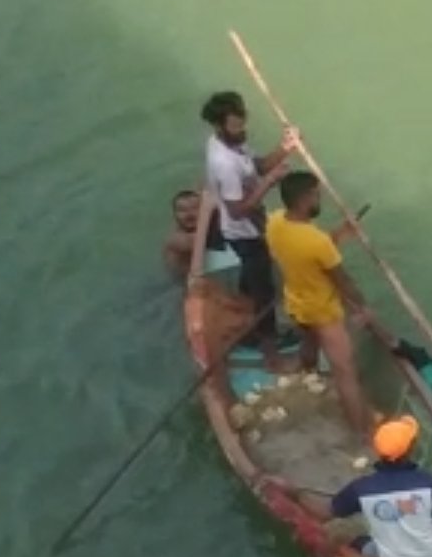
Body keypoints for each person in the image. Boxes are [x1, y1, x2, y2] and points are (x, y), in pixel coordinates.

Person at [264, 169, 380, 436]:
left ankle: (308, 373)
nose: (320, 200)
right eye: (317, 195)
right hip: (324, 312)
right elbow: (343, 281)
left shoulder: (275, 222)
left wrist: (343, 232)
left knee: (309, 341)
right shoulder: (317, 243)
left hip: (296, 302)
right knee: (346, 374)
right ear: (306, 199)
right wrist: (363, 307)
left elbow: (306, 251)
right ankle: (361, 433)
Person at [279, 416, 432, 557]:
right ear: (410, 451)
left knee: (357, 542)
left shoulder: (361, 489)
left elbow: (324, 514)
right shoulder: (428, 482)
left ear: (378, 453)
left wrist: (295, 494)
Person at [201, 90, 297, 371]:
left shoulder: (233, 144)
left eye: (243, 121)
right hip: (244, 231)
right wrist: (270, 181)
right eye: (235, 125)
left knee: (253, 279)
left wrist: (285, 148)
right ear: (220, 126)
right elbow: (236, 210)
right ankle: (270, 352)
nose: (242, 129)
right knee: (264, 290)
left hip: (254, 224)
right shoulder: (224, 163)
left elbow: (256, 165)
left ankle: (244, 316)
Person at [162, 189, 202, 281]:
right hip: (180, 284)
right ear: (175, 215)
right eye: (182, 210)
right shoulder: (176, 239)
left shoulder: (192, 230)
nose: (190, 214)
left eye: (195, 208)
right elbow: (197, 242)